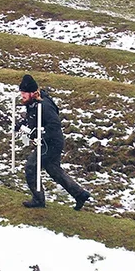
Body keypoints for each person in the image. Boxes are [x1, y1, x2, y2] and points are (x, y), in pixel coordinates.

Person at [16, 74, 91, 210]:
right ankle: (80, 194)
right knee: (53, 170)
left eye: (24, 93)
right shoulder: (33, 103)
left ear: (33, 92)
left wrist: (41, 134)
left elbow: (54, 124)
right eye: (21, 93)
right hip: (49, 142)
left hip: (50, 142)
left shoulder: (44, 105)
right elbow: (32, 118)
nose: (22, 96)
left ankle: (38, 200)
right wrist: (22, 124)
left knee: (31, 167)